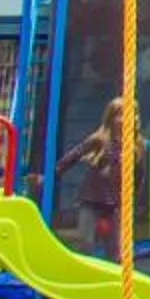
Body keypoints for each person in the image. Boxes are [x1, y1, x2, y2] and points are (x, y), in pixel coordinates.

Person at [57, 97, 128, 255]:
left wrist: (130, 198)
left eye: (127, 115)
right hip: (92, 197)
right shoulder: (100, 139)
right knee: (85, 240)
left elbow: (139, 174)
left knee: (115, 247)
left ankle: (116, 274)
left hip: (114, 201)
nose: (122, 120)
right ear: (111, 118)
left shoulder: (134, 144)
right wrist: (52, 175)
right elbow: (73, 155)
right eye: (118, 115)